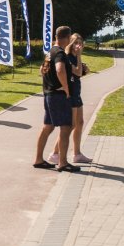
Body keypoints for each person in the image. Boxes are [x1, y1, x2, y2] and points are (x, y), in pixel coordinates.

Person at [33, 26, 79, 172]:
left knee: (48, 126)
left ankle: (38, 159)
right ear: (67, 37)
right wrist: (65, 88)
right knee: (66, 127)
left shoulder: (50, 52)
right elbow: (60, 69)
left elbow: (42, 70)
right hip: (58, 96)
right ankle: (63, 162)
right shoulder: (59, 52)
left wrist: (49, 83)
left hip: (48, 94)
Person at [49, 33, 92, 165]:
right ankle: (55, 153)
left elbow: (80, 73)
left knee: (79, 123)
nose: (78, 46)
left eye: (80, 43)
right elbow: (77, 72)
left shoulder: (75, 57)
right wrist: (79, 58)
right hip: (70, 95)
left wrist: (83, 67)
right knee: (70, 126)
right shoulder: (67, 57)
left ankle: (77, 154)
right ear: (70, 43)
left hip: (76, 94)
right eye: (75, 43)